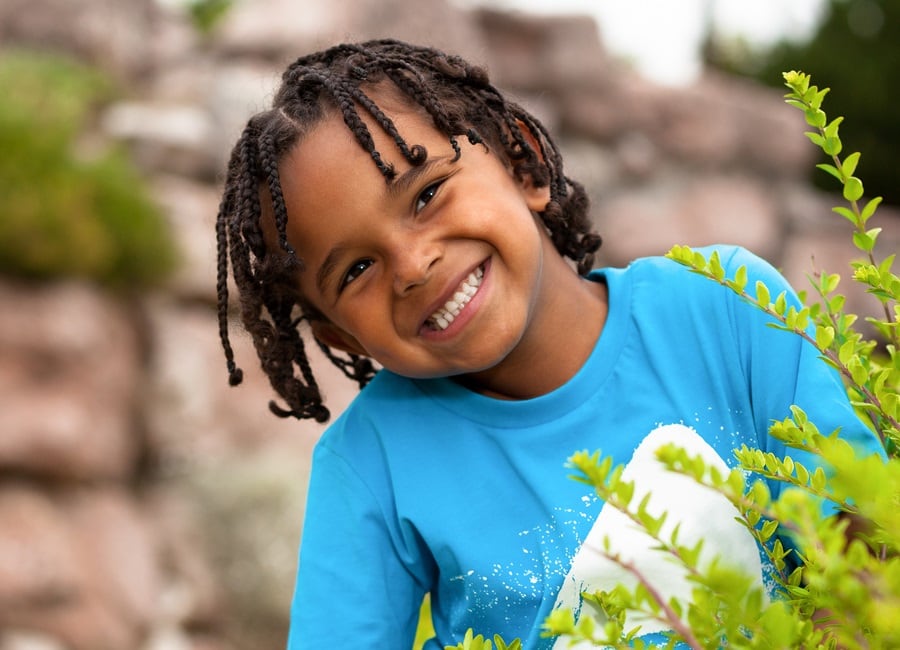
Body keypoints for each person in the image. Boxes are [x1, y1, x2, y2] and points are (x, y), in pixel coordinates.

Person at [213, 39, 885, 649]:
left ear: (524, 162)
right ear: (341, 334)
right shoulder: (371, 462)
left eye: (426, 196)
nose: (412, 265)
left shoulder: (721, 306)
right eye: (356, 270)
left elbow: (867, 543)